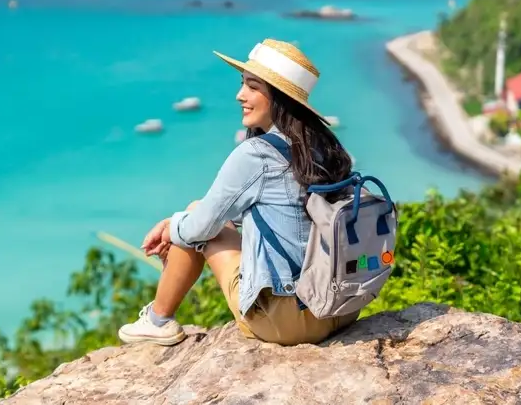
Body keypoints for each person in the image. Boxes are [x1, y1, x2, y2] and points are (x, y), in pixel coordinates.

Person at [118, 39, 360, 346]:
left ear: (280, 98)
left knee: (194, 217)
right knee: (197, 215)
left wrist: (171, 226)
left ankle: (158, 320)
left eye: (252, 86)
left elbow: (200, 228)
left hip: (289, 321)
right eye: (243, 84)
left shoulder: (255, 154)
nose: (239, 95)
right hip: (342, 308)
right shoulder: (323, 146)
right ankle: (157, 317)